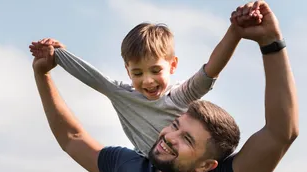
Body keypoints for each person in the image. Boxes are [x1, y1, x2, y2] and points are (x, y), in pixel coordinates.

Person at [30, 1, 298, 172]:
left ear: (207, 165)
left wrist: (270, 42)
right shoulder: (126, 168)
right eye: (174, 124)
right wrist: (42, 74)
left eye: (188, 140)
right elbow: (72, 137)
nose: (169, 137)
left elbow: (280, 132)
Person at [30, 11, 261, 158]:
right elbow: (91, 76)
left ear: (172, 66)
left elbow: (211, 69)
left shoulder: (180, 96)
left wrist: (235, 32)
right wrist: (57, 54)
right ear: (127, 70)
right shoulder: (122, 94)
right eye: (137, 72)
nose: (147, 80)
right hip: (152, 171)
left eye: (155, 70)